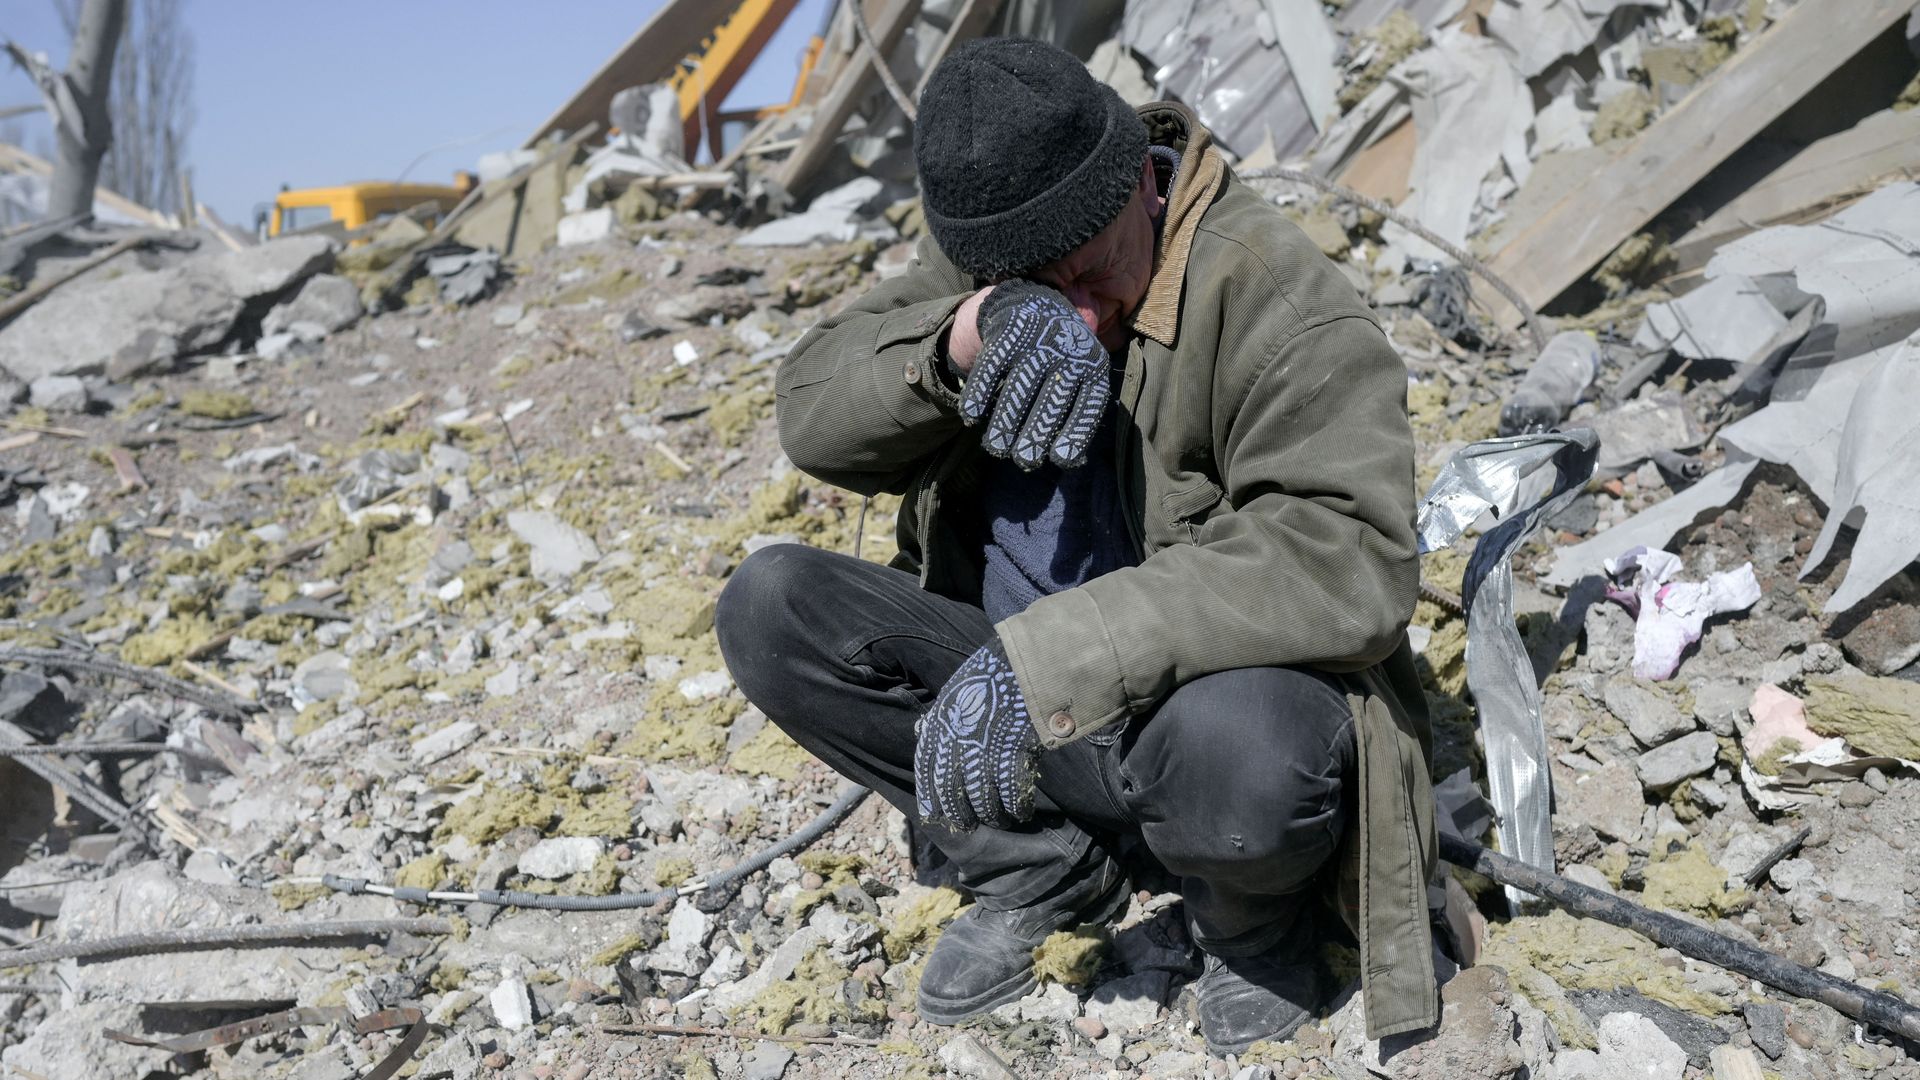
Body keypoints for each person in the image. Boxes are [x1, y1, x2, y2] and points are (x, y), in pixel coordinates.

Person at [715, 36, 1438, 1053]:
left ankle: (1251, 921)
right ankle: (1045, 868)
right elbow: (810, 413)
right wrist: (967, 334)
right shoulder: (997, 259)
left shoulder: (1270, 293)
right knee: (770, 605)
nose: (1083, 316)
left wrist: (1052, 658)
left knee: (1247, 757)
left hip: (1184, 716)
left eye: (1096, 273)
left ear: (1141, 184)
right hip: (1025, 712)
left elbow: (1349, 555)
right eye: (1040, 288)